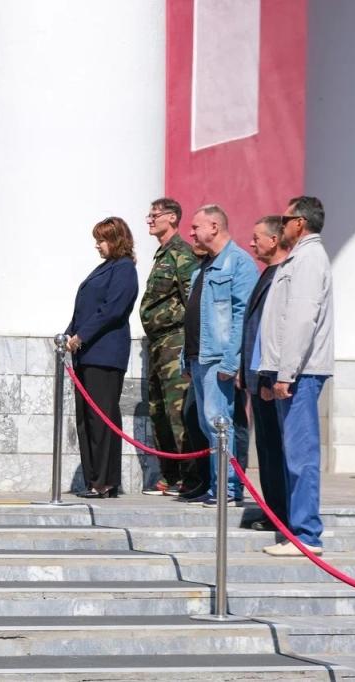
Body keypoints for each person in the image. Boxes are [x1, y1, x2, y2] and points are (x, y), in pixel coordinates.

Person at [259, 196, 334, 556]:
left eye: (285, 218)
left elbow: (301, 319)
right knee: (293, 453)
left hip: (301, 373)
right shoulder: (300, 258)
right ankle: (297, 529)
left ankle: (306, 534)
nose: (282, 223)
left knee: (300, 455)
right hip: (292, 371)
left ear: (300, 223)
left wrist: (286, 373)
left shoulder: (308, 259)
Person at [182, 204, 258, 507]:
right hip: (199, 358)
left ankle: (227, 489)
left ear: (214, 226)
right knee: (206, 425)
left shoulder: (239, 263)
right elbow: (193, 316)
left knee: (219, 424)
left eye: (196, 226)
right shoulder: (202, 267)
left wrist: (231, 360)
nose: (191, 233)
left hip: (218, 359)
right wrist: (186, 359)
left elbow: (242, 315)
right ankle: (216, 486)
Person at [65, 217, 139, 499]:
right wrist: (68, 334)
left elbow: (111, 310)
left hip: (104, 354)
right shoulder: (105, 268)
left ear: (117, 240)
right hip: (87, 354)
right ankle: (93, 478)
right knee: (86, 419)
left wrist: (81, 336)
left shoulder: (123, 270)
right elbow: (84, 309)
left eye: (103, 239)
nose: (98, 245)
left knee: (101, 418)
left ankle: (104, 481)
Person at [139, 198, 200, 497]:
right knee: (158, 409)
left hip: (175, 341)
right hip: (158, 344)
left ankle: (189, 479)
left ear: (172, 218)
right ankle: (170, 476)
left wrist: (189, 346)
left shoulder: (181, 254)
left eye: (155, 215)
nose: (149, 220)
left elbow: (192, 302)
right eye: (149, 215)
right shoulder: (162, 255)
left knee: (177, 412)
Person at [240, 216, 290, 531]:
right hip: (258, 376)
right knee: (267, 450)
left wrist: (272, 377)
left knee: (277, 450)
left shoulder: (284, 276)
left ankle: (282, 515)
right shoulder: (267, 274)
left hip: (271, 378)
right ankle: (272, 511)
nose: (252, 242)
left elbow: (279, 331)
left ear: (274, 240)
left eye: (257, 237)